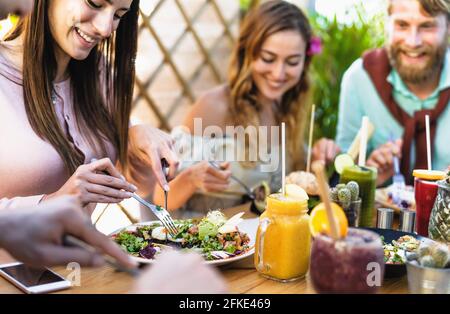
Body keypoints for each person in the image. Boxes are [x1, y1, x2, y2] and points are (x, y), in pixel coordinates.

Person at [151, 0, 339, 216]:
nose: (278, 73)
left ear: (304, 63)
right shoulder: (214, 107)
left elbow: (293, 194)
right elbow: (160, 198)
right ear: (248, 53)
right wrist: (192, 178)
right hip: (202, 245)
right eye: (268, 59)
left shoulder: (288, 111)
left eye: (292, 62)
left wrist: (316, 161)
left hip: (259, 243)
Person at [0, 0, 179, 213]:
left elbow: (135, 184)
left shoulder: (99, 72)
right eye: (94, 3)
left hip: (92, 246)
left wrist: (133, 139)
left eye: (118, 15)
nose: (105, 29)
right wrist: (53, 202)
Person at [336, 0, 450, 186]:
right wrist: (368, 173)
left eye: (427, 26)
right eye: (402, 25)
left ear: (448, 27)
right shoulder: (359, 79)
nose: (413, 42)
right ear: (387, 24)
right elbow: (344, 168)